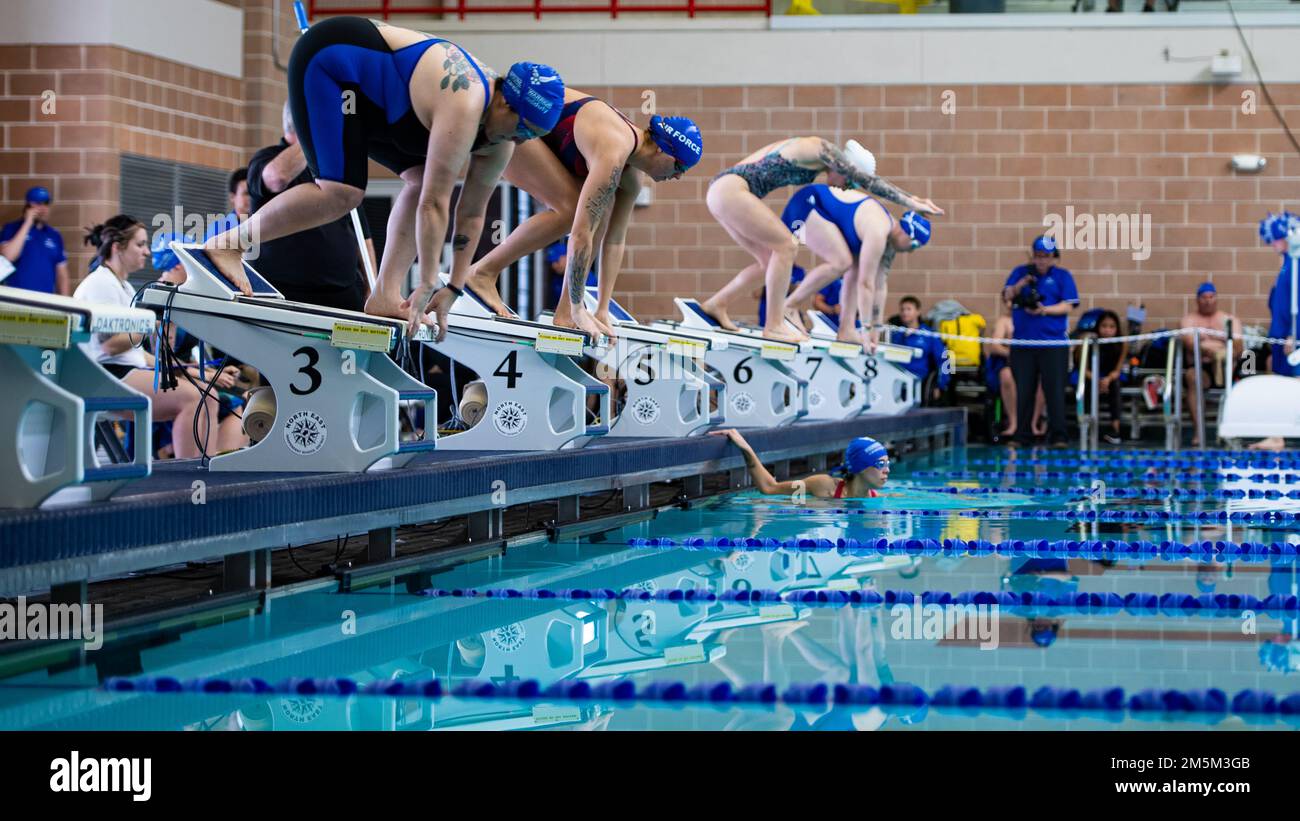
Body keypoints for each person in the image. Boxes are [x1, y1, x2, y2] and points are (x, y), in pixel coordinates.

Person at [202, 15, 565, 340]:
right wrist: (425, 281)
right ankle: (231, 243)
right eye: (521, 129)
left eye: (530, 136)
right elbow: (434, 205)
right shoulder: (466, 103)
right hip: (332, 61)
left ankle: (384, 294)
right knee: (341, 193)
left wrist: (453, 287)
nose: (519, 141)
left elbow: (469, 213)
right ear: (504, 102)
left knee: (420, 177)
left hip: (379, 102)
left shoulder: (501, 141)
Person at [466, 91, 702, 340]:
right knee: (571, 211)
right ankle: (482, 273)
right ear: (661, 150)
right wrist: (581, 308)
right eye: (679, 167)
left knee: (601, 206)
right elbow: (580, 233)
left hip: (545, 140)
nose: (678, 176)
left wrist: (602, 309)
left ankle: (565, 311)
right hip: (513, 120)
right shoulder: (615, 148)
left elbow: (615, 240)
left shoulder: (632, 177)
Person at [699, 137, 943, 345]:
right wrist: (912, 201)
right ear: (846, 167)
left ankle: (717, 304)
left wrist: (873, 329)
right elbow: (872, 182)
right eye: (851, 181)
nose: (848, 188)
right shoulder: (820, 149)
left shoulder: (819, 162)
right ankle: (775, 324)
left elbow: (877, 283)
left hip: (726, 192)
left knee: (769, 261)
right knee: (787, 247)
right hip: (731, 190)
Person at [74, 216, 220, 459]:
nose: (147, 251)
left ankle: (208, 465)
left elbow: (135, 351)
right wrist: (150, 322)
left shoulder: (125, 287)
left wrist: (181, 367)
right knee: (192, 397)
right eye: (140, 245)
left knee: (210, 394)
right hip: (104, 374)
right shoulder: (101, 284)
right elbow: (111, 346)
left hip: (125, 369)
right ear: (117, 247)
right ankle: (189, 475)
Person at [245, 102, 375, 311]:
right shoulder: (267, 158)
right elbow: (276, 178)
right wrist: (318, 132)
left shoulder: (333, 166)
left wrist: (373, 286)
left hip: (343, 294)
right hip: (285, 294)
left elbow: (362, 233)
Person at [779, 184, 931, 350]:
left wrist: (876, 329)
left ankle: (847, 329)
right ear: (907, 234)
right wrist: (866, 329)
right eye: (914, 246)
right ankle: (789, 306)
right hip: (808, 204)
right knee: (842, 262)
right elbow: (866, 284)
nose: (911, 252)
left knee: (853, 269)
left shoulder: (889, 243)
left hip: (821, 212)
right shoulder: (879, 231)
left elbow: (879, 287)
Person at [150, 232, 251, 455]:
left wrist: (214, 370)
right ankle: (195, 457)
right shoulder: (159, 301)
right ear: (177, 265)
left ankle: (216, 459)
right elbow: (162, 363)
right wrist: (204, 375)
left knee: (247, 399)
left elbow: (185, 355)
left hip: (187, 374)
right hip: (170, 380)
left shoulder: (181, 298)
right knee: (225, 400)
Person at [1003, 235, 1079, 447]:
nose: (1041, 261)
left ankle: (1058, 434)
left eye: (1046, 257)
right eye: (1038, 256)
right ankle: (1023, 434)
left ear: (1054, 257)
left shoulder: (1062, 276)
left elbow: (1068, 305)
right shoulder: (1020, 272)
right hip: (1024, 343)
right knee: (1024, 390)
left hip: (1052, 344)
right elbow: (1007, 296)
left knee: (1053, 390)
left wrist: (1045, 310)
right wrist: (1021, 285)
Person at [710, 428, 890, 499]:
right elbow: (770, 488)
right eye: (880, 464)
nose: (887, 470)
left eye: (887, 463)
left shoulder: (878, 499)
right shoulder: (823, 485)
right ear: (860, 466)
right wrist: (746, 449)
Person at [1252, 212, 1298, 451]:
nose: (1270, 245)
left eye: (1273, 240)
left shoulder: (1296, 263)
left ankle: (1279, 433)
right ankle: (1276, 434)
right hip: (1281, 335)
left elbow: (1296, 303)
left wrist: (1296, 333)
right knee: (1280, 382)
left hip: (1291, 336)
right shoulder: (1287, 263)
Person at [1179, 281, 1237, 447]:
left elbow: (1239, 347)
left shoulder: (1228, 320)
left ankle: (1233, 430)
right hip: (1201, 368)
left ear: (1216, 299)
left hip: (1226, 368)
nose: (1208, 301)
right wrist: (1215, 348)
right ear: (1197, 300)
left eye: (1211, 297)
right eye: (1204, 297)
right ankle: (1199, 430)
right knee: (1192, 377)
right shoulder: (1189, 320)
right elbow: (1190, 344)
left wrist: (1214, 348)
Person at [0, 186, 69, 295]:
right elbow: (8, 257)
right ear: (28, 206)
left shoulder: (54, 235)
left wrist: (67, 305)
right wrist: (28, 223)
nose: (43, 208)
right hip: (16, 301)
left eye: (46, 204)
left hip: (45, 302)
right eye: (38, 204)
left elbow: (62, 274)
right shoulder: (11, 229)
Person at [888, 296, 950, 404]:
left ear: (918, 311)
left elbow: (944, 359)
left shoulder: (928, 334)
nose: (904, 313)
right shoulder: (895, 334)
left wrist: (940, 385)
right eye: (902, 309)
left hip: (919, 382)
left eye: (908, 309)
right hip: (895, 382)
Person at [1079, 309, 1128, 445]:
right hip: (1091, 376)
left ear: (1117, 328)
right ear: (1098, 327)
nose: (1107, 330)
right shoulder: (1088, 342)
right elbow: (1083, 368)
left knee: (1116, 386)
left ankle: (1115, 429)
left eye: (1111, 327)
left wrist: (1107, 380)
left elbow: (1117, 370)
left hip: (1110, 377)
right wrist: (1097, 380)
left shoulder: (1122, 343)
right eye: (1104, 326)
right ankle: (1089, 428)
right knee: (1088, 387)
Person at [544, 237, 596, 311]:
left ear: (567, 256)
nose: (554, 265)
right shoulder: (556, 281)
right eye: (551, 263)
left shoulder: (585, 276)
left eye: (557, 261)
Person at [204, 168, 250, 240]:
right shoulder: (219, 229)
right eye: (246, 193)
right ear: (232, 197)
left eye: (254, 194)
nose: (252, 198)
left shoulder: (264, 225)